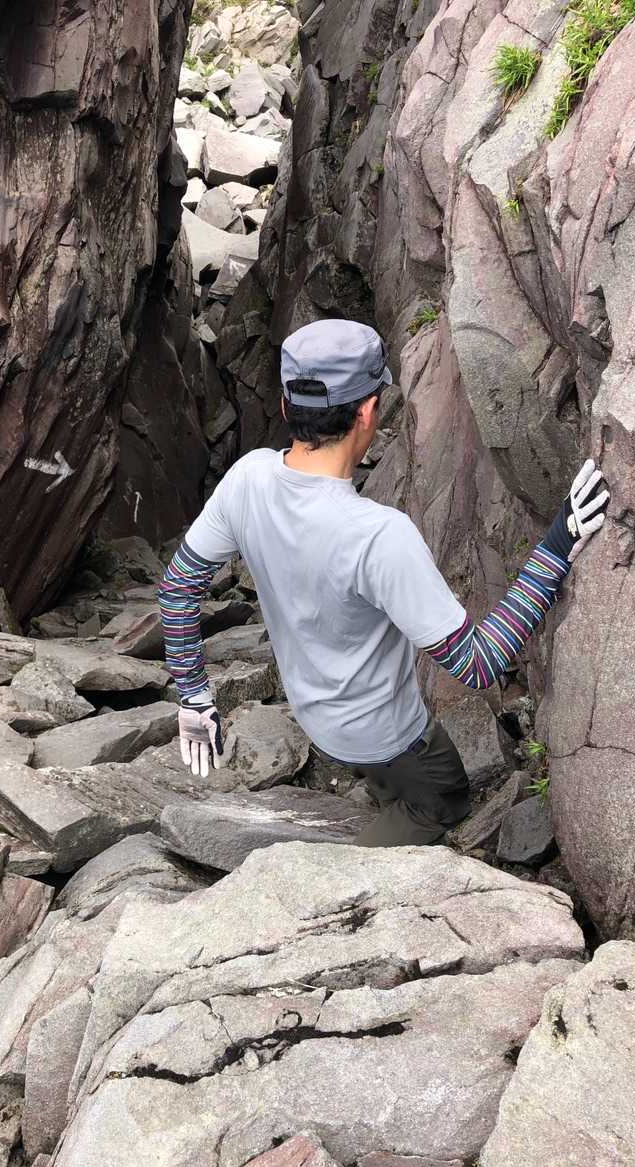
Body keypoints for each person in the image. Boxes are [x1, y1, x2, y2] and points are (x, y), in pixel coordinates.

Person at [157, 319, 609, 847]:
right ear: (369, 411)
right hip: (385, 735)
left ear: (285, 405)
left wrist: (194, 697)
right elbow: (478, 663)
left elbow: (178, 587)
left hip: (314, 716)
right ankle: (349, 867)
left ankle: (377, 796)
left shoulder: (247, 478)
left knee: (387, 777)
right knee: (445, 798)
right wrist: (556, 546)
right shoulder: (377, 536)